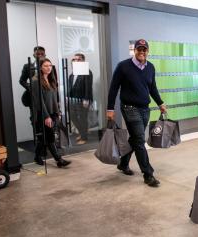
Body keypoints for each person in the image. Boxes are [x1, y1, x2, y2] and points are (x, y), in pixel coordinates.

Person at [107, 39, 166, 188]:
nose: (141, 52)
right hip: (129, 107)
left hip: (145, 109)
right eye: (139, 49)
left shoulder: (150, 67)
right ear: (134, 50)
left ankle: (123, 163)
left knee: (135, 138)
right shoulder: (123, 66)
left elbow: (152, 88)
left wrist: (160, 103)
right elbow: (114, 88)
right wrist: (110, 108)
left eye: (144, 49)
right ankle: (148, 174)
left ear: (147, 51)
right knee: (140, 139)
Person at [31, 58, 71, 168]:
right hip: (44, 114)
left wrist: (58, 111)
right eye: (45, 66)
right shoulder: (35, 81)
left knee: (45, 136)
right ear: (40, 67)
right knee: (50, 137)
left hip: (53, 112)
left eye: (50, 65)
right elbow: (39, 101)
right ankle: (59, 160)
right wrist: (46, 116)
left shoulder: (51, 79)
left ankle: (37, 156)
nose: (48, 68)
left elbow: (55, 98)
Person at [68, 53, 93, 145]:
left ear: (83, 61)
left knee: (82, 118)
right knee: (73, 117)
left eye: (78, 59)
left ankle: (84, 137)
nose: (76, 61)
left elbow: (88, 87)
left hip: (83, 100)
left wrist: (86, 100)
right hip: (72, 100)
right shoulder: (72, 74)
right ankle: (83, 133)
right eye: (74, 59)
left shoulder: (87, 72)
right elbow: (70, 88)